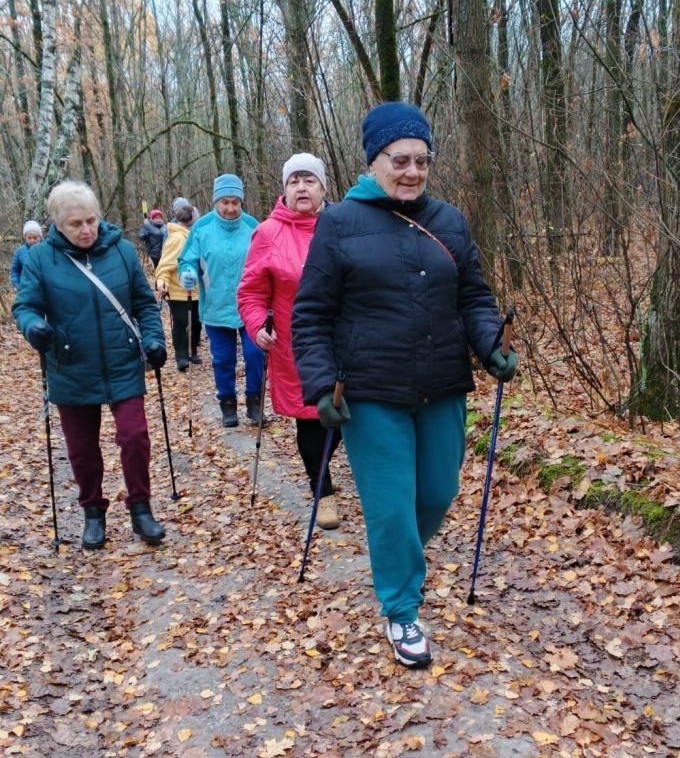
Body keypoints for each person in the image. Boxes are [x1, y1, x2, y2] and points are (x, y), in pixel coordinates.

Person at [292, 102, 518, 668]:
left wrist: (491, 343)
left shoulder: (449, 221)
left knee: (437, 494)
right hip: (370, 391)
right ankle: (401, 608)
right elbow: (311, 314)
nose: (412, 171)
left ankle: (396, 561)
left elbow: (474, 297)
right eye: (400, 160)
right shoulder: (340, 222)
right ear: (374, 162)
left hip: (443, 385)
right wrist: (320, 384)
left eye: (422, 160)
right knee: (391, 508)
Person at [12, 180, 167, 550]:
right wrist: (33, 327)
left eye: (91, 220)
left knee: (134, 437)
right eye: (75, 224)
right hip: (71, 365)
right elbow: (25, 307)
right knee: (82, 449)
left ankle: (141, 508)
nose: (86, 230)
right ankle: (93, 512)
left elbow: (144, 304)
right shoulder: (40, 258)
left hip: (122, 360)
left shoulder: (122, 251)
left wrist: (154, 339)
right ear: (57, 224)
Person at [237, 153, 342, 530]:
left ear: (323, 188)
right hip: (295, 345)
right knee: (312, 418)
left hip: (345, 340)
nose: (302, 187)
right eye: (294, 181)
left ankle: (327, 472)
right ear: (284, 189)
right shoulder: (268, 233)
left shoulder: (342, 225)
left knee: (344, 417)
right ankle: (322, 490)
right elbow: (250, 293)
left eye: (309, 180)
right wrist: (257, 326)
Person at [178, 173, 265, 427]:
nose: (230, 208)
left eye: (235, 202)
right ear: (216, 201)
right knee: (223, 360)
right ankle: (227, 404)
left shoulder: (253, 226)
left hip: (251, 306)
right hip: (216, 305)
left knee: (255, 354)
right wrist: (188, 273)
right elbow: (187, 259)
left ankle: (255, 402)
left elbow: (266, 259)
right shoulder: (202, 227)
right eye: (225, 202)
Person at [155, 197, 202, 372]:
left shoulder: (196, 236)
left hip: (197, 291)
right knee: (182, 323)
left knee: (196, 322)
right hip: (178, 290)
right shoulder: (176, 239)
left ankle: (193, 351)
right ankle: (181, 356)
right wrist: (162, 282)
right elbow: (164, 264)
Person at [10, 220, 43, 289]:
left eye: (35, 237)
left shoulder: (47, 250)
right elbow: (15, 271)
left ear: (40, 237)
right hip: (26, 289)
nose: (32, 240)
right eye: (29, 238)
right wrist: (18, 286)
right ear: (25, 238)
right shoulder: (20, 251)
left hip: (45, 290)